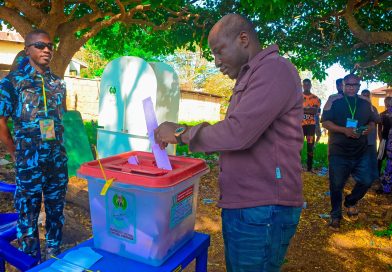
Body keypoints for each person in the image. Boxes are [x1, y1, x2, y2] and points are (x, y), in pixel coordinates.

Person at [154, 14, 303, 271]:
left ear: (243, 39)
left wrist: (180, 133)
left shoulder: (274, 70)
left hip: (263, 208)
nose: (217, 62)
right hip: (247, 206)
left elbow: (238, 133)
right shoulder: (250, 76)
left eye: (219, 52)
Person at [0, 29, 68, 259]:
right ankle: (30, 260)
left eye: (50, 45)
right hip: (29, 161)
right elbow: (1, 119)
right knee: (27, 213)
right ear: (27, 49)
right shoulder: (13, 82)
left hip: (56, 160)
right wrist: (14, 152)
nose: (46, 49)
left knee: (56, 211)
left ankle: (54, 255)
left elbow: (59, 121)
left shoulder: (58, 83)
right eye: (39, 45)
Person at [321, 74, 376, 231]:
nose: (351, 87)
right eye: (348, 85)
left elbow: (372, 121)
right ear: (342, 85)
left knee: (367, 179)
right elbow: (325, 122)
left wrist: (368, 129)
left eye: (355, 85)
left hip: (361, 150)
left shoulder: (365, 102)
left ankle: (351, 201)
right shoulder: (334, 100)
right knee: (336, 185)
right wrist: (344, 130)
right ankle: (335, 216)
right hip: (339, 151)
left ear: (359, 86)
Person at [360, 89, 381, 186]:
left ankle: (374, 178)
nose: (365, 97)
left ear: (370, 97)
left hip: (370, 139)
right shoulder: (357, 108)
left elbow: (378, 120)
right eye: (363, 95)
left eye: (367, 95)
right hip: (359, 139)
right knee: (360, 159)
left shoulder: (373, 108)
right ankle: (361, 178)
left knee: (372, 158)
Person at [302, 78, 321, 171]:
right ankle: (296, 167)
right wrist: (309, 110)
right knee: (298, 146)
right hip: (299, 126)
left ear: (310, 85)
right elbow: (296, 109)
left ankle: (309, 168)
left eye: (308, 84)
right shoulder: (298, 97)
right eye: (304, 84)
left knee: (310, 146)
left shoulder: (315, 98)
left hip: (311, 126)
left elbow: (314, 111)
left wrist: (303, 109)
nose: (306, 86)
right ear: (302, 85)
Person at [378, 97, 392, 194]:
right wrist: (381, 138)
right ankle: (378, 177)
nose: (387, 103)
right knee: (381, 159)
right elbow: (380, 128)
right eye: (386, 102)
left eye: (389, 102)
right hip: (386, 140)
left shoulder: (384, 114)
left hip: (388, 141)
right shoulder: (383, 114)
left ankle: (386, 186)